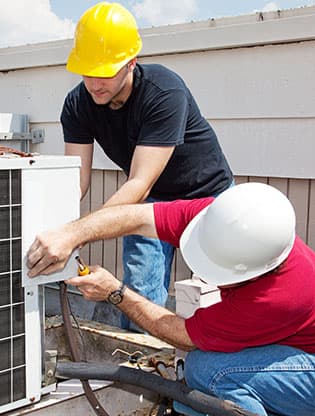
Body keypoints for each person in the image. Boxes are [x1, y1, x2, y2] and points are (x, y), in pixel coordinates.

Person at [27, 183, 315, 416]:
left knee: (207, 371)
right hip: (304, 349)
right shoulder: (223, 219)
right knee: (210, 375)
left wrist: (115, 292)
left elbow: (183, 336)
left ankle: (306, 409)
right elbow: (136, 216)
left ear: (252, 271)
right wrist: (72, 233)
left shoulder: (279, 295)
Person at [61, 2, 233, 329]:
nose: (95, 83)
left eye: (107, 71)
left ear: (131, 63)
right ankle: (141, 370)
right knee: (139, 293)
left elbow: (140, 182)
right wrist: (57, 226)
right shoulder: (77, 104)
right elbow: (76, 181)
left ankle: (218, 367)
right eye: (88, 72)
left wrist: (77, 233)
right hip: (151, 202)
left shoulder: (164, 91)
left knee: (226, 290)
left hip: (209, 197)